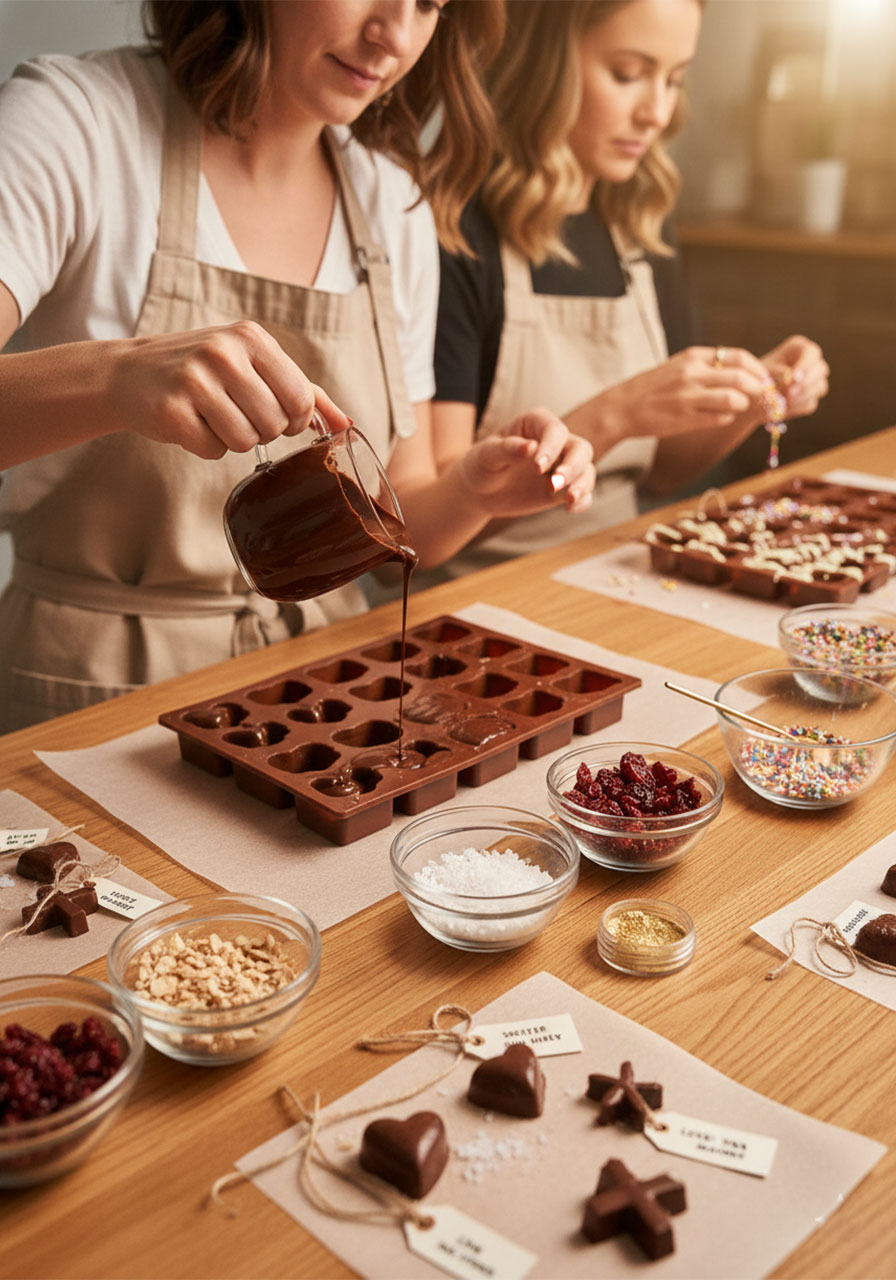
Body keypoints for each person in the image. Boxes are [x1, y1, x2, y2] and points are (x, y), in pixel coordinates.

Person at [0, 0, 595, 731]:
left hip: (319, 691)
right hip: (93, 696)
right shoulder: (77, 125)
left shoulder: (391, 202)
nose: (394, 35)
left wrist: (474, 489)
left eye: (429, 4)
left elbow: (398, 518)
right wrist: (118, 379)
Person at [429, 0, 830, 577]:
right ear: (545, 63)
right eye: (628, 74)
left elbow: (664, 469)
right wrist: (616, 414)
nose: (657, 112)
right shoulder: (455, 232)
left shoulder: (637, 225)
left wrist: (756, 397)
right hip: (479, 595)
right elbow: (430, 528)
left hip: (621, 571)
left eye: (674, 79)